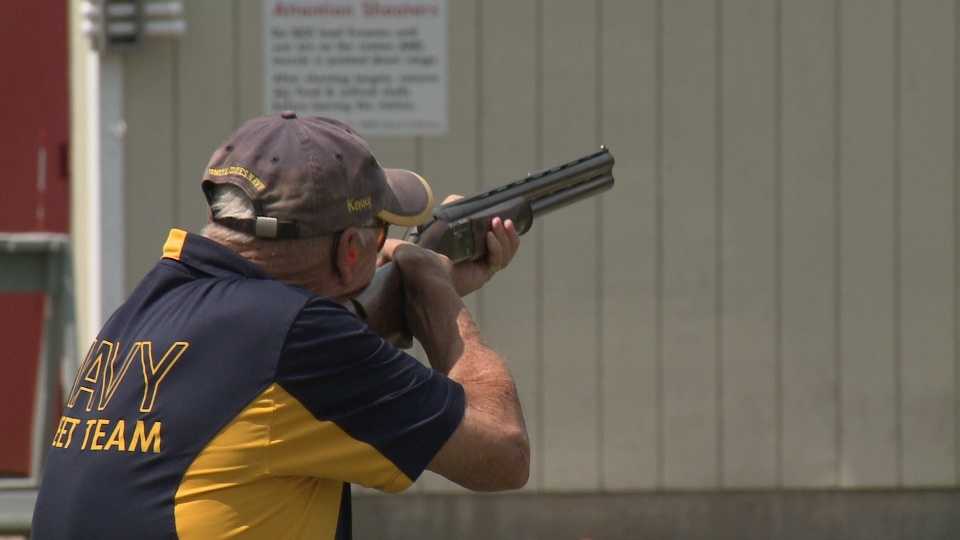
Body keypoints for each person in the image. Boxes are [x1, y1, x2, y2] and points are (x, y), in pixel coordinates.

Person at [31, 112, 529, 539]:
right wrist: (439, 298)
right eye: (381, 233)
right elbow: (502, 450)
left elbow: (259, 384)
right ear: (351, 251)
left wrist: (406, 298)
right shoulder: (301, 335)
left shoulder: (148, 306)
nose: (387, 246)